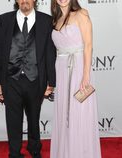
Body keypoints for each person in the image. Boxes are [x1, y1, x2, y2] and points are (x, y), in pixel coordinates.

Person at [0, 0, 56, 158]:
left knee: (34, 118)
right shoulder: (4, 20)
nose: (24, 1)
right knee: (13, 120)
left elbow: (49, 53)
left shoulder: (46, 21)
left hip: (35, 79)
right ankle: (14, 153)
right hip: (11, 80)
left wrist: (51, 82)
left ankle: (34, 149)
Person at [50, 0, 102, 158]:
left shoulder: (81, 14)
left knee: (79, 113)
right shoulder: (55, 20)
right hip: (61, 70)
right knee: (64, 114)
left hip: (79, 69)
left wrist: (85, 75)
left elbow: (88, 45)